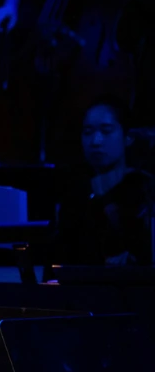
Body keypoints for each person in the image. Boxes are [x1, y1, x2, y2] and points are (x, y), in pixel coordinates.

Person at [54, 96, 155, 266]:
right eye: (88, 132)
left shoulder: (145, 190)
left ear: (127, 137)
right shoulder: (74, 195)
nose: (96, 141)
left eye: (106, 131)